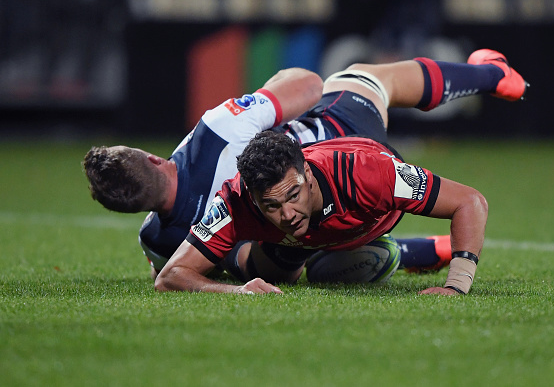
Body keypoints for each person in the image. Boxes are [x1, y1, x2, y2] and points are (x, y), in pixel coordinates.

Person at [84, 48, 527, 283]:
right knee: (364, 78)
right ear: (152, 157)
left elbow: (230, 266)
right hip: (342, 148)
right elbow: (308, 84)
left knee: (290, 258)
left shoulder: (158, 239)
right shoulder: (215, 132)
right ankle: (491, 75)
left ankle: (408, 250)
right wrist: (264, 107)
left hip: (327, 197)